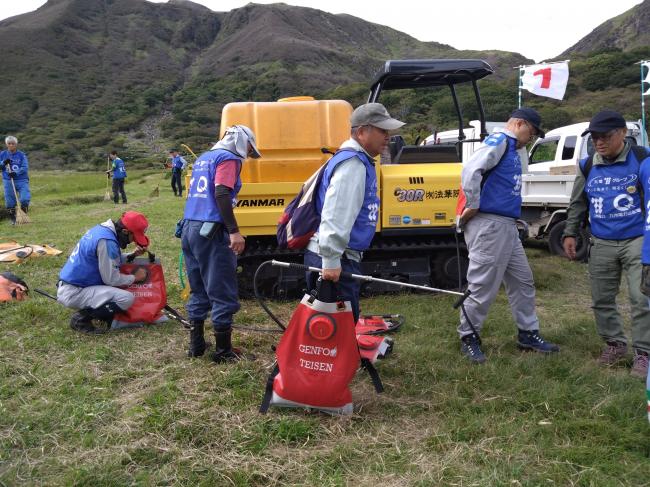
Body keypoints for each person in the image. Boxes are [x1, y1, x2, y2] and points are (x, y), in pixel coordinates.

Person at [458, 107, 559, 363]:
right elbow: (471, 169)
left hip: (506, 225)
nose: (532, 138)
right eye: (533, 132)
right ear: (522, 124)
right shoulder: (500, 141)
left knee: (522, 281)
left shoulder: (512, 148)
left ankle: (528, 333)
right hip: (490, 224)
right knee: (482, 285)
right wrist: (474, 202)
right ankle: (468, 336)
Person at [564, 110, 650, 378]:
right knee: (602, 298)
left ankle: (644, 353)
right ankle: (614, 345)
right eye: (594, 138)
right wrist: (570, 232)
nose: (599, 142)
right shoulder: (588, 165)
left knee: (641, 298)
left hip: (636, 239)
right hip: (601, 241)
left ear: (623, 133)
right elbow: (578, 202)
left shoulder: (642, 159)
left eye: (605, 137)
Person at [304, 103, 404, 323]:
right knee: (336, 325)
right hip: (334, 256)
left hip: (339, 254)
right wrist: (330, 260)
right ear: (361, 132)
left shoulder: (357, 160)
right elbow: (336, 213)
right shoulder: (353, 164)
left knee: (334, 323)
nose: (387, 137)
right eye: (382, 130)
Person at [181, 125, 260, 361]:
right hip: (212, 232)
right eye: (248, 146)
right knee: (221, 289)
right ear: (240, 140)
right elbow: (222, 193)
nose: (248, 152)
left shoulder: (205, 158)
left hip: (189, 227)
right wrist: (234, 231)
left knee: (198, 287)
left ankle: (196, 346)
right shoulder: (228, 159)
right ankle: (223, 352)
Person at [57, 211, 150, 334]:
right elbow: (111, 279)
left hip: (71, 285)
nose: (132, 242)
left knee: (117, 294)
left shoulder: (102, 230)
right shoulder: (107, 241)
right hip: (74, 291)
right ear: (125, 232)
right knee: (126, 298)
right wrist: (134, 278)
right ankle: (81, 319)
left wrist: (132, 255)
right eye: (133, 238)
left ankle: (101, 312)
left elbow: (109, 260)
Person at [1, 136, 30, 225]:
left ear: (16, 144)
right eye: (9, 143)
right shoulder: (2, 154)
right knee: (10, 202)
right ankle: (13, 219)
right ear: (6, 144)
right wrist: (3, 163)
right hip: (8, 180)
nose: (11, 145)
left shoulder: (21, 155)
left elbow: (25, 167)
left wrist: (16, 173)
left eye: (13, 143)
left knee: (25, 199)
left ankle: (23, 216)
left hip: (22, 180)